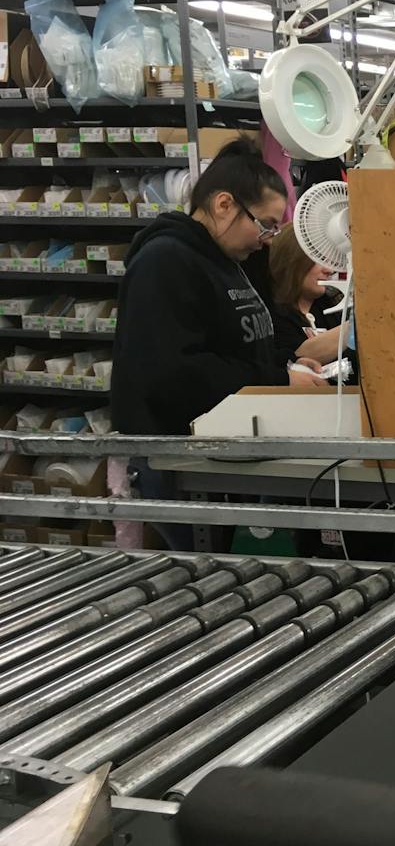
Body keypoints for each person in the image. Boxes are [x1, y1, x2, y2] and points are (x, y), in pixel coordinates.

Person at [112, 137, 323, 548]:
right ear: (224, 204)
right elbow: (175, 371)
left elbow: (246, 345)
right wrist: (278, 382)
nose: (266, 239)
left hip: (218, 451)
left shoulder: (231, 263)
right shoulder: (166, 261)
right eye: (264, 225)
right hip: (175, 459)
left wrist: (288, 367)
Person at [265, 223, 354, 375]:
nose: (329, 270)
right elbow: (299, 355)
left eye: (329, 260)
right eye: (318, 258)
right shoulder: (270, 314)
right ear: (292, 258)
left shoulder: (333, 307)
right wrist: (359, 323)